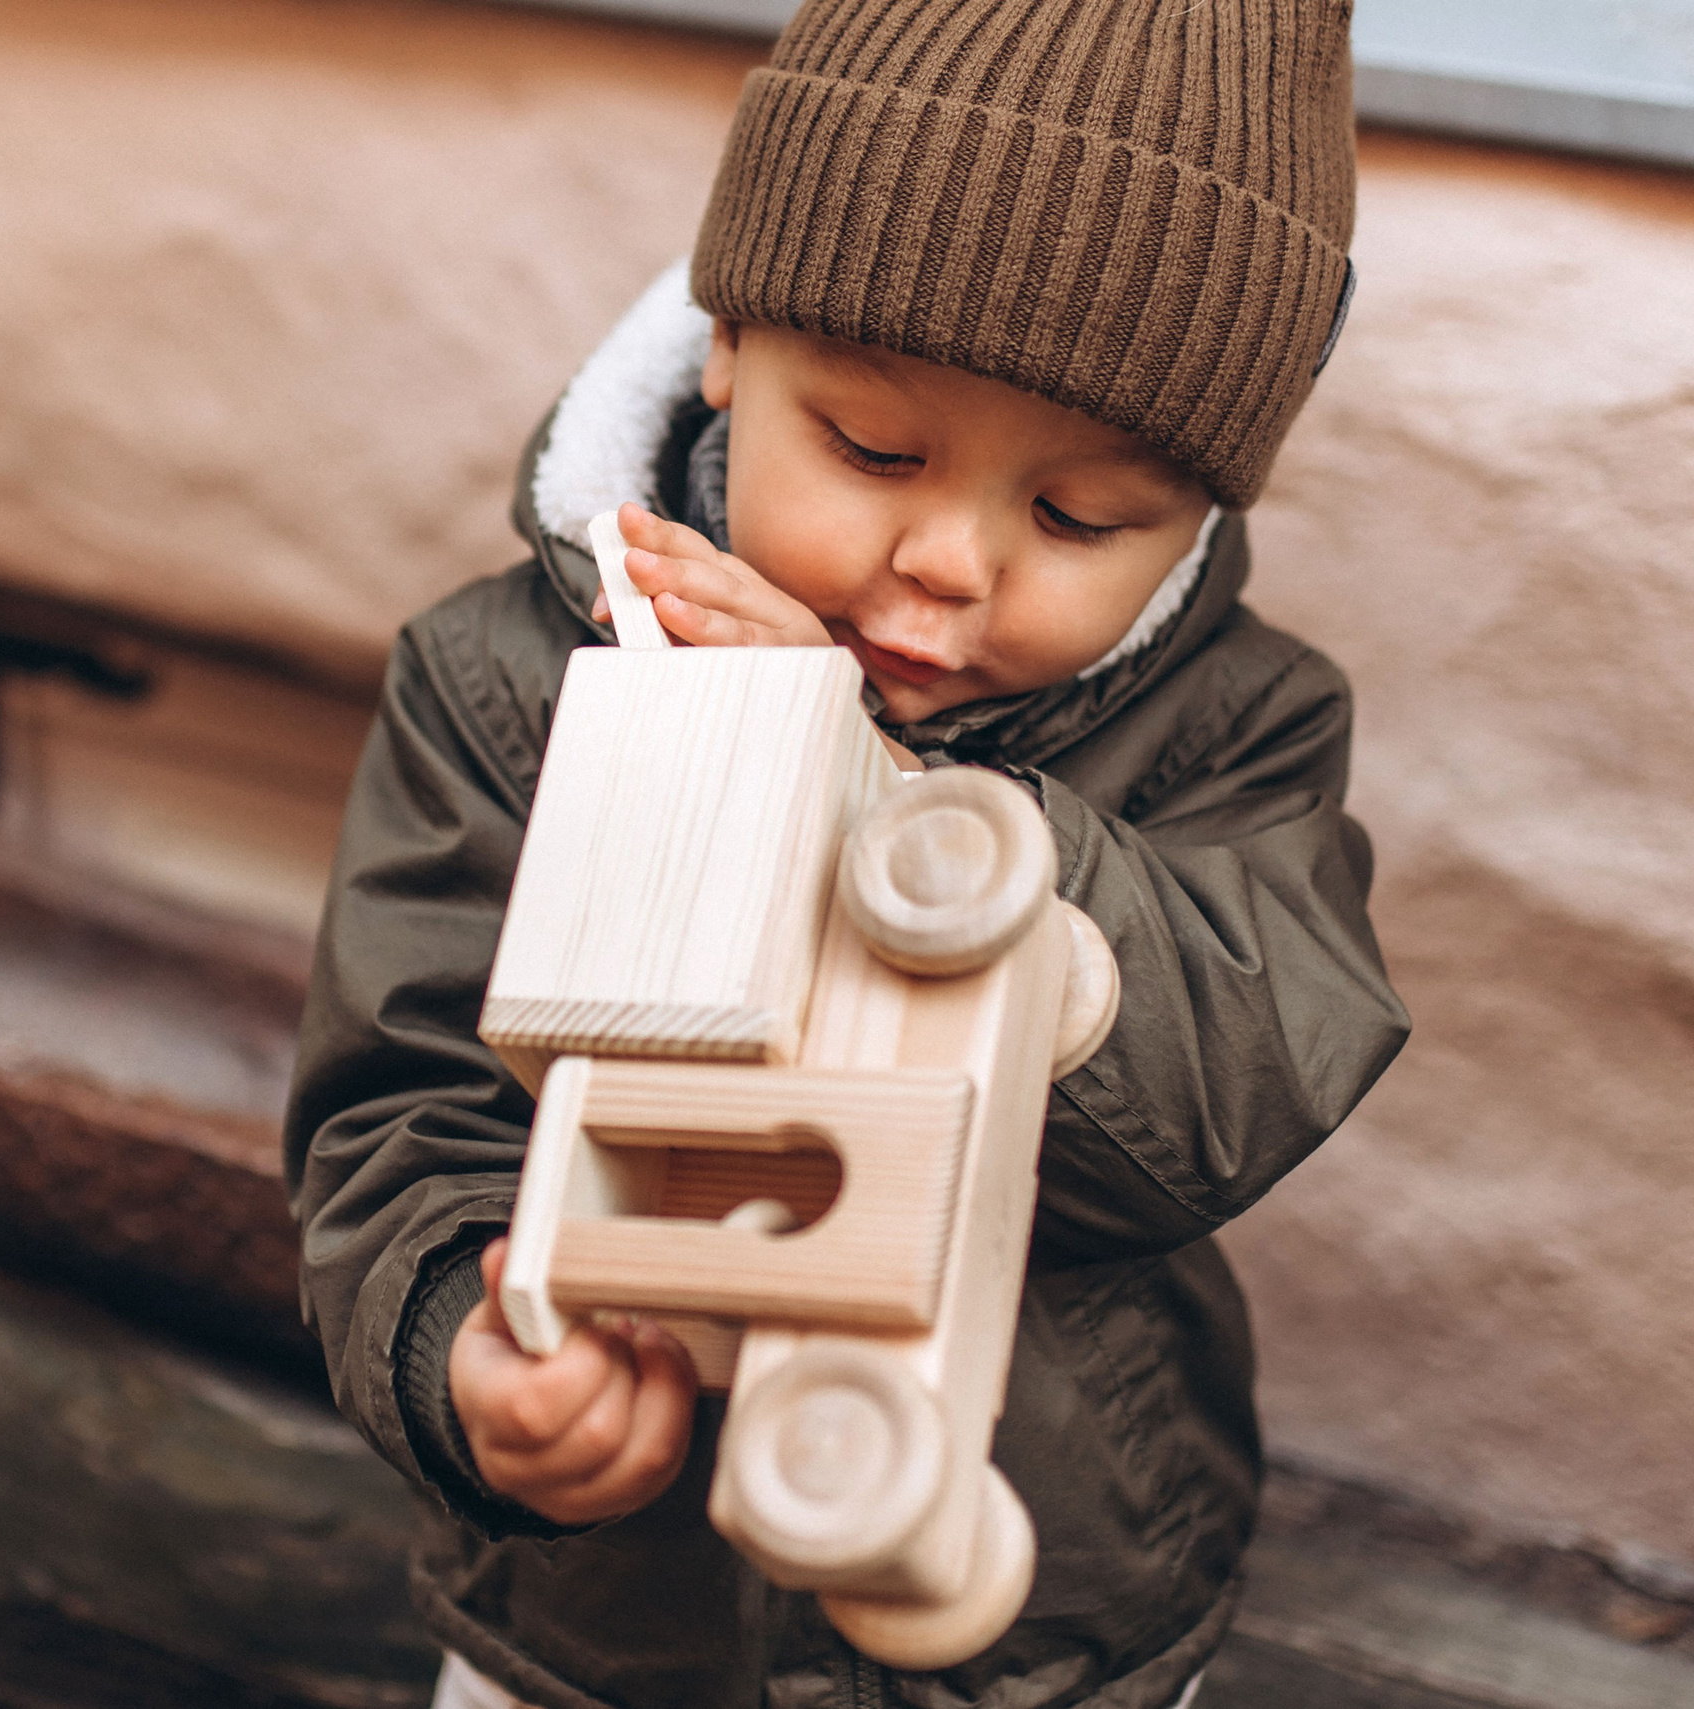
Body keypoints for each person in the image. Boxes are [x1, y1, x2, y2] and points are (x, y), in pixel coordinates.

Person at [284, 2, 1409, 1705]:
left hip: (1038, 1609)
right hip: (611, 1627)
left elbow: (1226, 1097)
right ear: (730, 343)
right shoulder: (511, 684)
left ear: (1196, 513)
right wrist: (464, 1353)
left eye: (1079, 517)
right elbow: (401, 1100)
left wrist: (879, 799)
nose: (950, 559)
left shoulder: (1236, 728)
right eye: (876, 450)